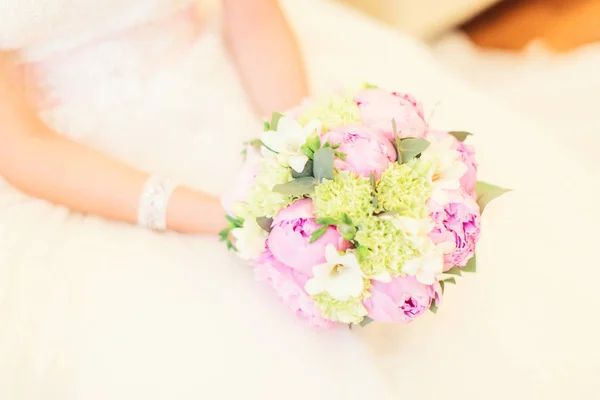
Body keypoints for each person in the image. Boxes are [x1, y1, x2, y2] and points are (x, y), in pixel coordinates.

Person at [0, 1, 598, 399]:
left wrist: (302, 160)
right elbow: (22, 146)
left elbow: (252, 20)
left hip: (236, 82)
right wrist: (226, 214)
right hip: (82, 157)